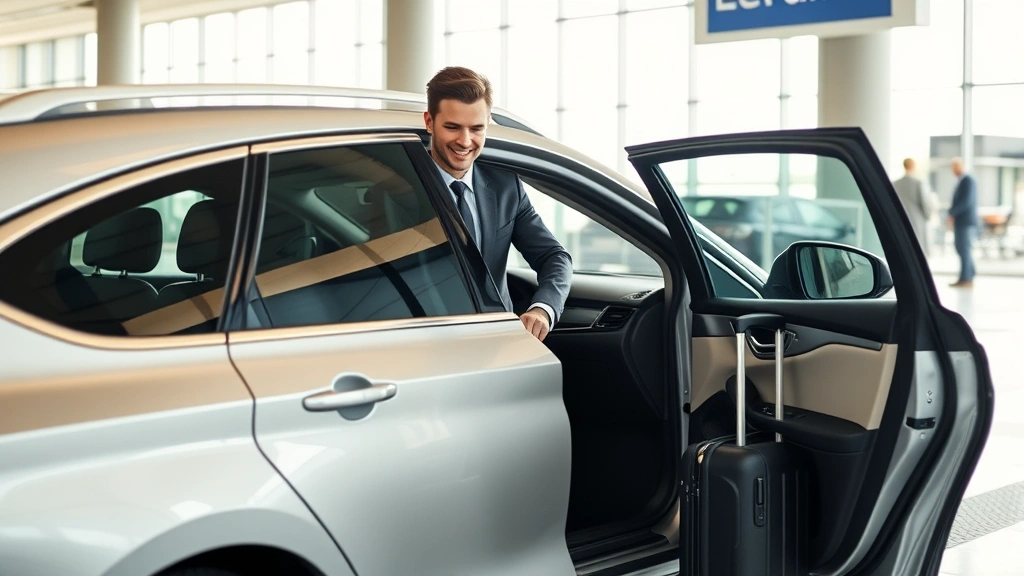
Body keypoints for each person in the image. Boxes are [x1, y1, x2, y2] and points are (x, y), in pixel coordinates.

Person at [423, 66, 571, 341]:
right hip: (428, 344)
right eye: (452, 127)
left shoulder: (506, 188)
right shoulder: (399, 189)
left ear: (487, 124)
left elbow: (554, 257)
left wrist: (543, 309)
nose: (465, 141)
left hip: (499, 343)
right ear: (429, 122)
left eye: (476, 128)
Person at [892, 157, 935, 256]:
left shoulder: (895, 184)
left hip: (900, 220)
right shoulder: (918, 183)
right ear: (913, 166)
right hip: (917, 221)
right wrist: (928, 215)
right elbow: (925, 204)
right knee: (918, 249)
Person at [948, 157, 979, 288]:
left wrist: (952, 213)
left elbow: (966, 201)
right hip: (961, 221)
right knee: (962, 248)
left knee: (964, 249)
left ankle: (966, 278)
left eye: (956, 166)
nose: (953, 170)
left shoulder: (968, 180)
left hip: (966, 221)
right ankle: (968, 275)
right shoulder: (961, 180)